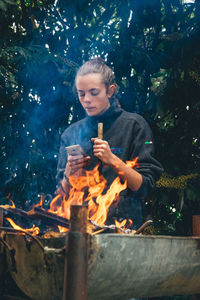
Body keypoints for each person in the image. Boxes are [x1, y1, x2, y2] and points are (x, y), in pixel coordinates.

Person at [56, 58, 163, 229]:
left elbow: (145, 187)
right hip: (80, 229)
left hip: (123, 230)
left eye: (94, 92)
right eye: (81, 93)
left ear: (110, 91)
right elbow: (61, 196)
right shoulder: (71, 133)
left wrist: (113, 160)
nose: (87, 100)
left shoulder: (134, 125)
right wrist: (70, 171)